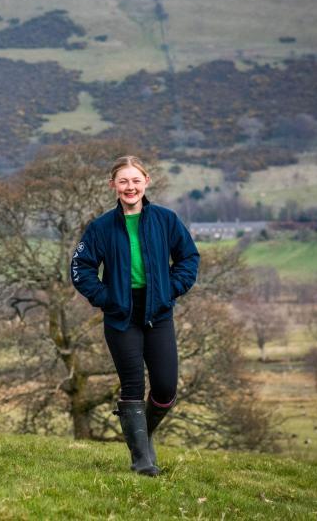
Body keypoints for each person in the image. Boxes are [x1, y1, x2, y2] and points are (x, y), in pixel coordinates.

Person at [71, 155, 199, 476]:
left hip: (158, 311)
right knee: (132, 385)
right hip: (120, 316)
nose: (130, 187)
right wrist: (106, 298)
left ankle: (143, 432)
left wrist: (170, 290)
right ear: (113, 185)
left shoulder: (166, 220)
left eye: (136, 180)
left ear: (146, 182)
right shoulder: (100, 227)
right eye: (123, 181)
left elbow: (189, 258)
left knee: (166, 388)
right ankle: (142, 461)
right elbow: (81, 268)